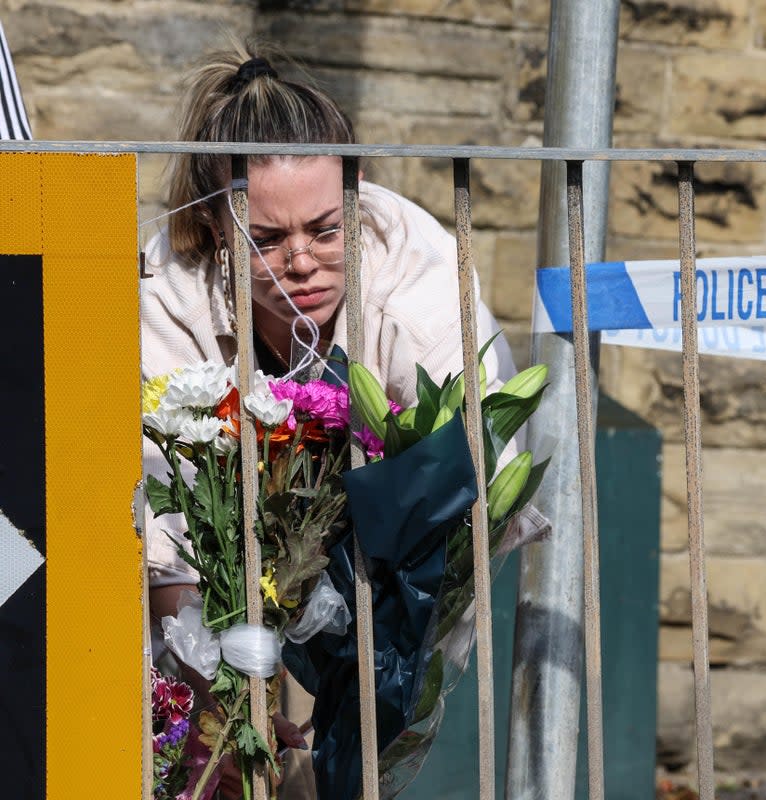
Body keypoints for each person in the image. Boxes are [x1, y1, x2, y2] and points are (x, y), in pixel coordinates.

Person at [140, 41, 532, 799]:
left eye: (325, 228)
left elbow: (463, 498)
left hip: (389, 532)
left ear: (357, 194)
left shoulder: (417, 281)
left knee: (361, 746)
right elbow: (167, 521)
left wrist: (380, 704)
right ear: (219, 226)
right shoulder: (166, 292)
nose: (302, 263)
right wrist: (211, 703)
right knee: (207, 747)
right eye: (267, 238)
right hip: (232, 518)